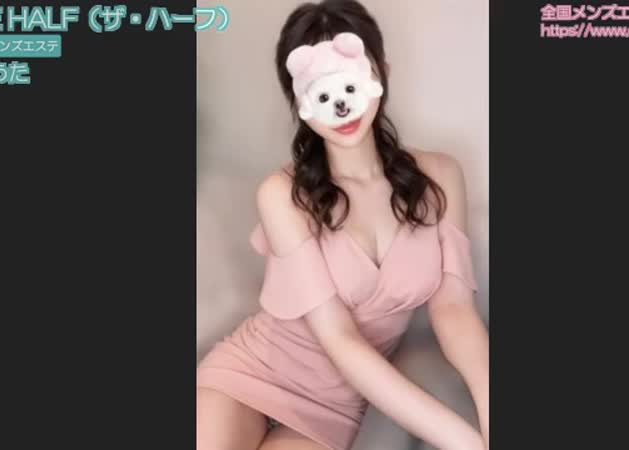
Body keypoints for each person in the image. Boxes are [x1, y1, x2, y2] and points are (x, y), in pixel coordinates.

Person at [196, 1, 489, 449]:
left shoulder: (442, 176)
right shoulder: (282, 194)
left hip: (333, 409)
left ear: (381, 72)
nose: (342, 106)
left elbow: (454, 311)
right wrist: (461, 439)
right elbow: (339, 337)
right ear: (300, 100)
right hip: (249, 373)